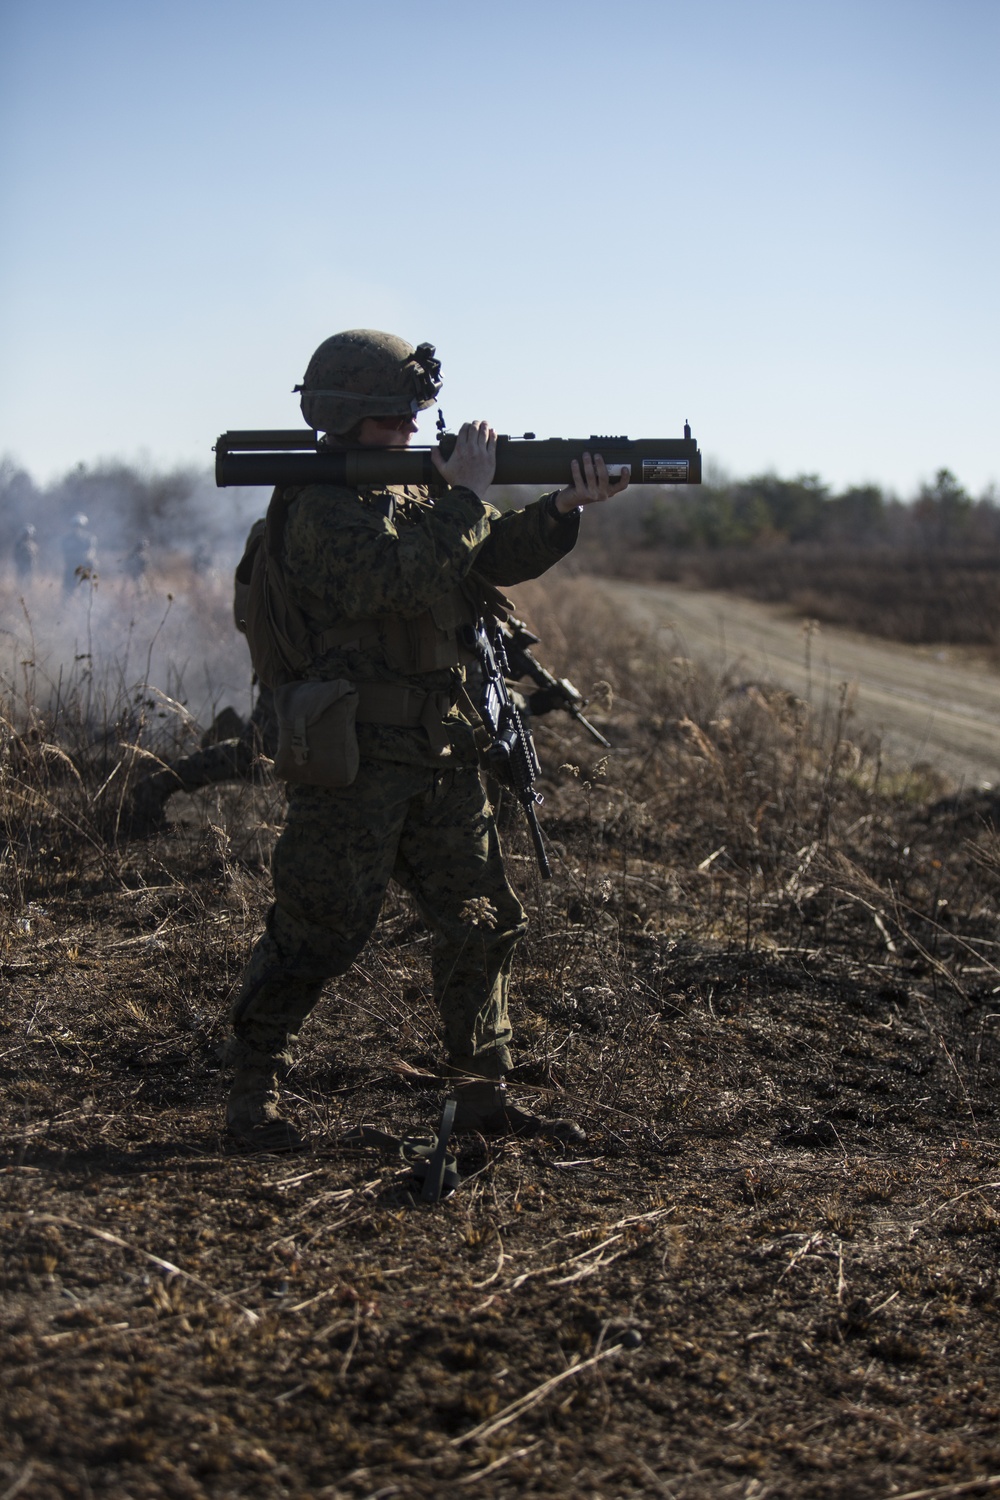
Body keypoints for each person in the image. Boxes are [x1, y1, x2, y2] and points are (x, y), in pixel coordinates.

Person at [225, 328, 629, 1150]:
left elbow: (481, 562)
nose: (411, 428)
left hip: (445, 750)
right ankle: (250, 1084)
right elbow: (396, 577)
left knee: (483, 920)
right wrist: (465, 498)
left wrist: (560, 508)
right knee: (323, 924)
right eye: (392, 417)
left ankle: (482, 1098)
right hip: (357, 760)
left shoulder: (416, 492)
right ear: (344, 418)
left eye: (416, 412)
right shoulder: (316, 510)